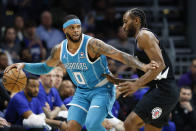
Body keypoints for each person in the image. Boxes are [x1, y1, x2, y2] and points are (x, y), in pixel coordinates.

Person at [5, 14, 158, 131]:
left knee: (92, 124)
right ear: (65, 30)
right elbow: (45, 67)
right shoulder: (59, 49)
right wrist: (24, 65)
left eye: (78, 26)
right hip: (82, 92)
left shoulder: (92, 44)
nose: (76, 30)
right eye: (72, 28)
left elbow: (120, 55)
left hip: (102, 89)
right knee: (71, 127)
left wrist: (143, 66)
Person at [104, 8, 179, 131]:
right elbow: (151, 77)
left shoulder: (144, 35)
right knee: (150, 128)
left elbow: (160, 65)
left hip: (164, 91)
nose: (123, 27)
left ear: (137, 21)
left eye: (125, 22)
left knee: (129, 124)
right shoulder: (140, 38)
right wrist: (117, 81)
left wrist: (137, 84)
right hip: (163, 90)